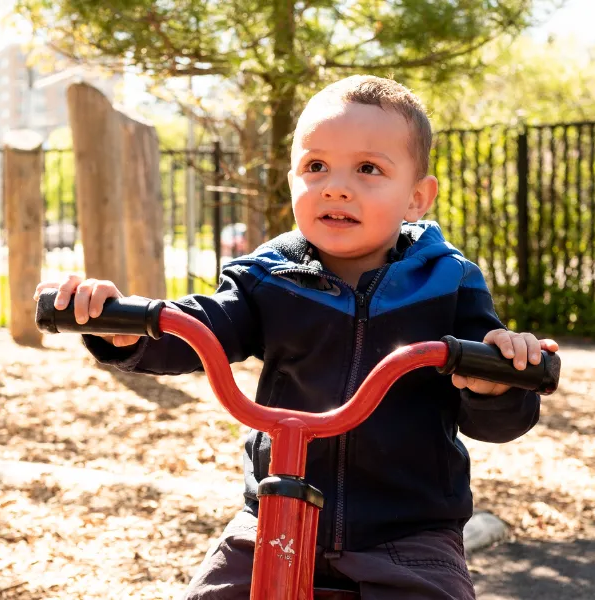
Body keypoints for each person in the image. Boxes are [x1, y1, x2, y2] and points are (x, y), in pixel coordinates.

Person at [36, 75, 555, 599]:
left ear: (417, 198)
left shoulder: (448, 283)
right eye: (316, 167)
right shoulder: (268, 276)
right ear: (292, 184)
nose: (335, 186)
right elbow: (202, 328)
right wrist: (125, 331)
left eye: (368, 169)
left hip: (407, 533)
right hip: (272, 519)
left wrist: (497, 384)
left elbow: (496, 408)